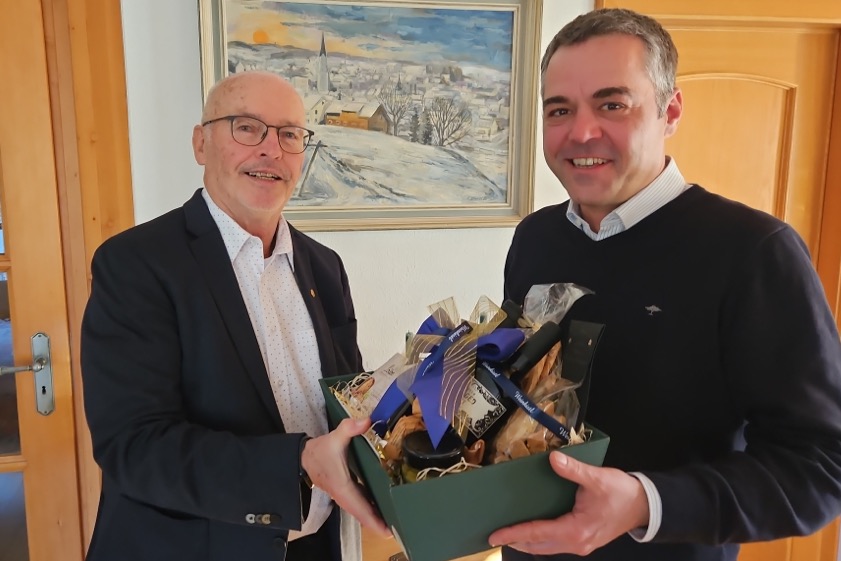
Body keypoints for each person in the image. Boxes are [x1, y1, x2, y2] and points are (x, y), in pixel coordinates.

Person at [490, 8, 841, 561]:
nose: (581, 132)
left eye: (612, 104)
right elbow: (523, 390)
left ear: (670, 110)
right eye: (560, 109)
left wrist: (645, 504)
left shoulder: (753, 252)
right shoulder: (534, 237)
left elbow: (822, 465)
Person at [80, 71, 390, 561]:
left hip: (316, 545)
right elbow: (135, 446)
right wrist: (299, 462)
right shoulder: (135, 264)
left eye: (289, 134)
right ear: (201, 144)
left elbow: (344, 398)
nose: (271, 150)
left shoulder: (324, 267)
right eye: (247, 127)